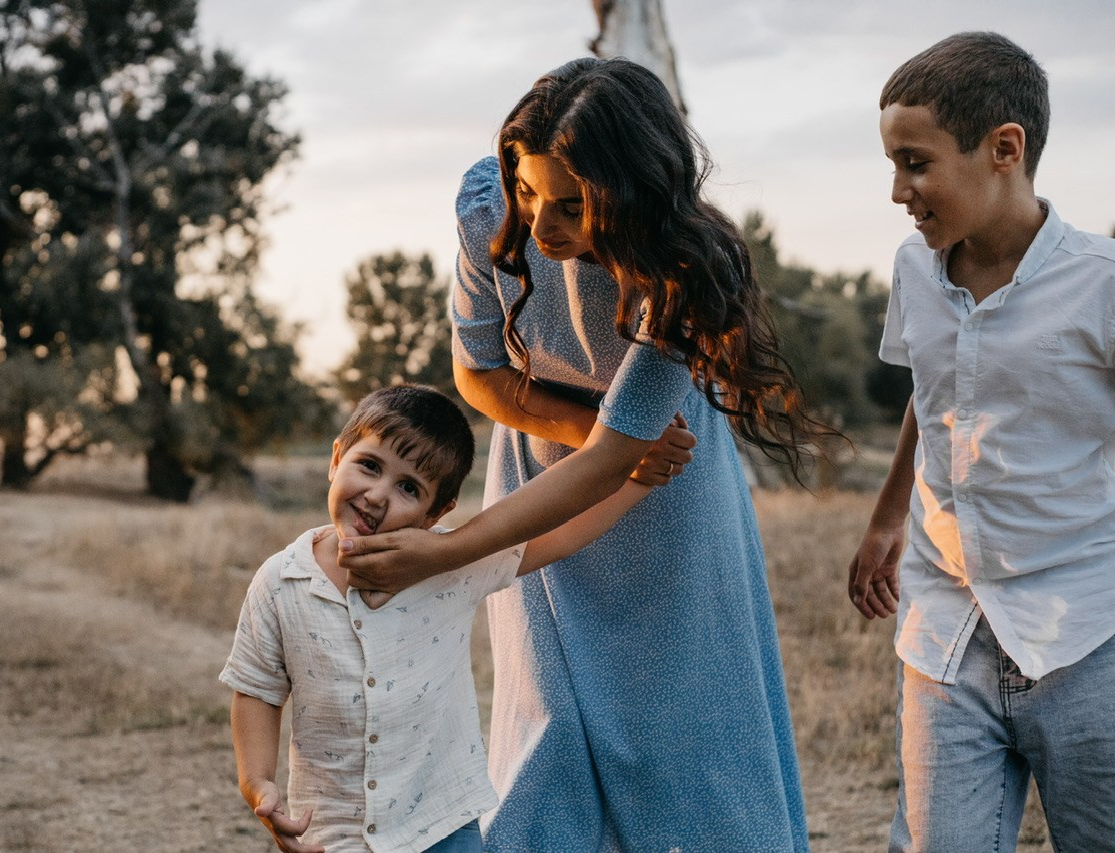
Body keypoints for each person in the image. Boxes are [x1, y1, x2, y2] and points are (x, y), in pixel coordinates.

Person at [338, 58, 833, 851]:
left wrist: (441, 555)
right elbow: (480, 373)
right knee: (551, 716)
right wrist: (580, 434)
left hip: (667, 484)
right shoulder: (486, 207)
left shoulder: (687, 268)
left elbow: (622, 457)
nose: (539, 226)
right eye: (529, 192)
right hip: (542, 465)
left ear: (635, 190)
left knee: (685, 721)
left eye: (571, 205)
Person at [847, 31, 1115, 851]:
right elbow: (930, 395)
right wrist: (887, 519)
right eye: (892, 165)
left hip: (1086, 629)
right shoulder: (913, 268)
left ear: (1005, 149)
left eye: (916, 163)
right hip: (947, 625)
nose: (898, 189)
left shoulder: (1100, 284)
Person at [220, 384, 691, 853]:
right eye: (369, 466)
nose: (377, 495)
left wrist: (638, 480)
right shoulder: (281, 581)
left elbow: (560, 536)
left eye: (409, 488)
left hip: (442, 826)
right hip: (329, 833)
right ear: (336, 458)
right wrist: (258, 783)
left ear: (435, 513)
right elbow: (259, 690)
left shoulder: (451, 563)